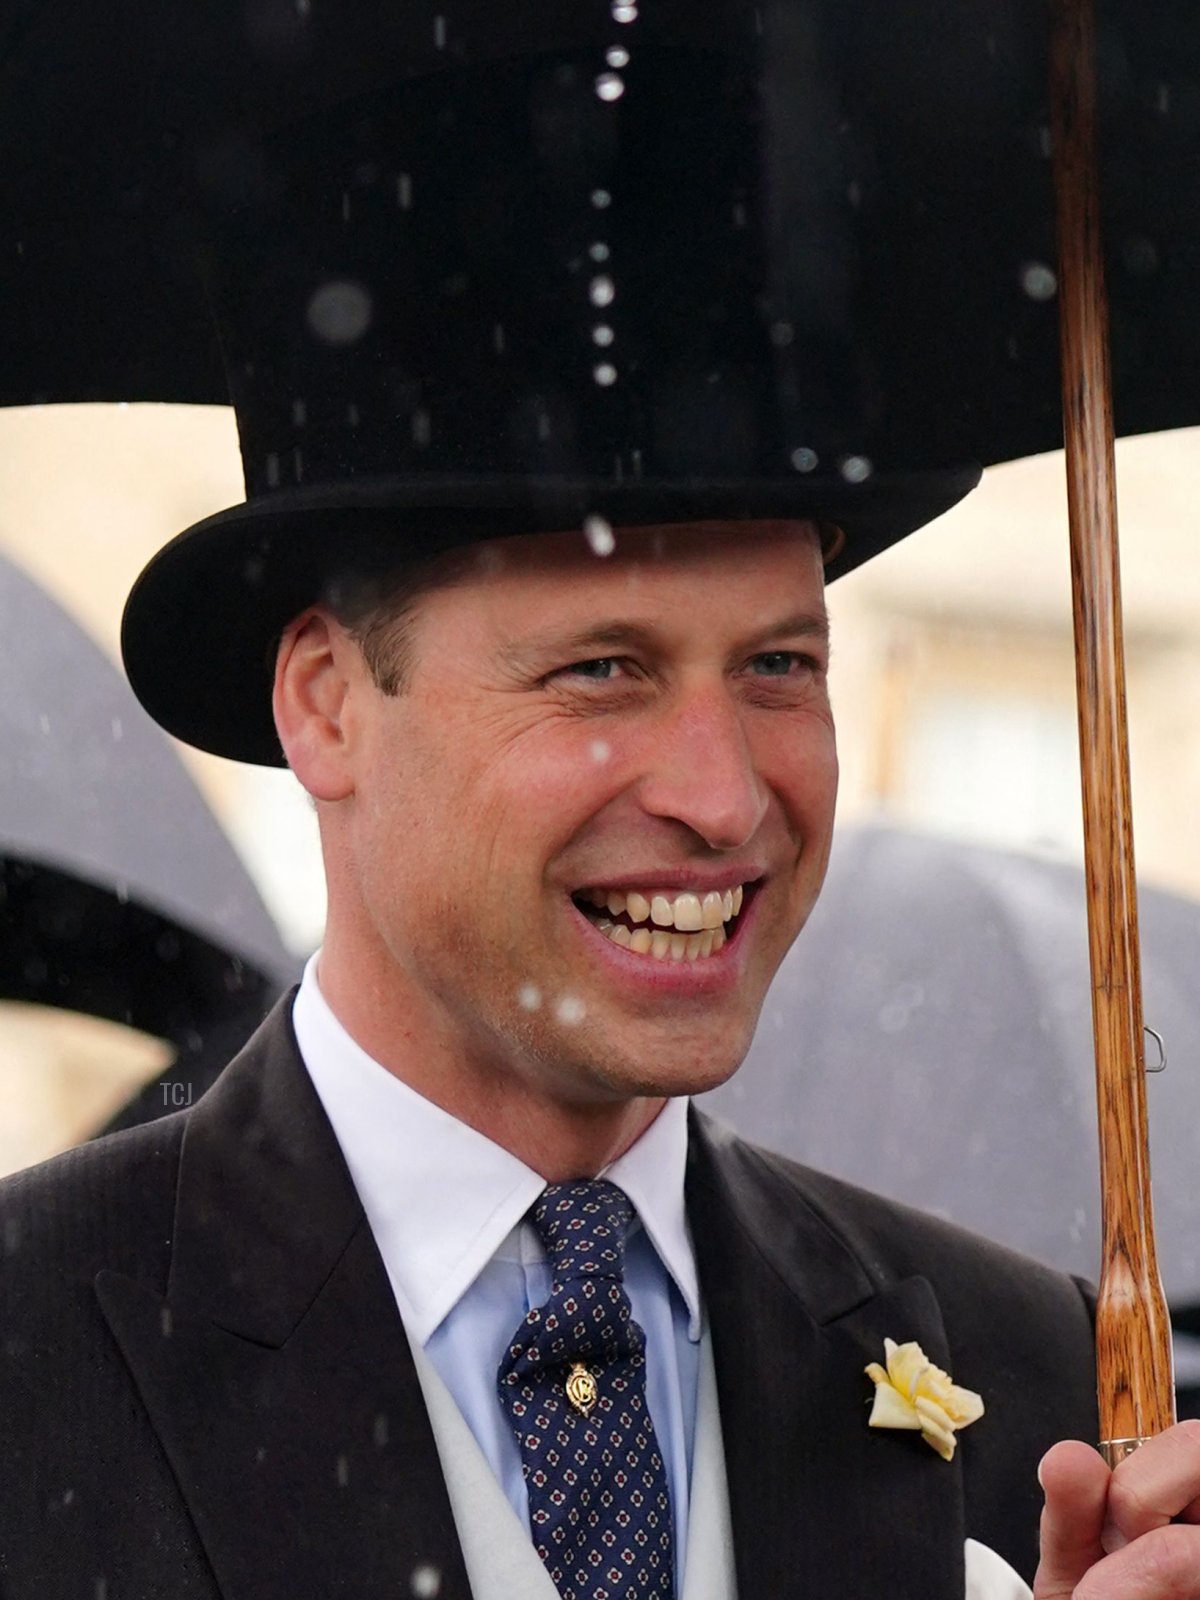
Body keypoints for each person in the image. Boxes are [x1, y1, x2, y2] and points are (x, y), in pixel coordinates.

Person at [5, 23, 1200, 1600]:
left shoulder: (1032, 1378)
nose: (722, 797)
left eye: (780, 662)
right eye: (600, 672)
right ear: (326, 702)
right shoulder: (35, 1366)